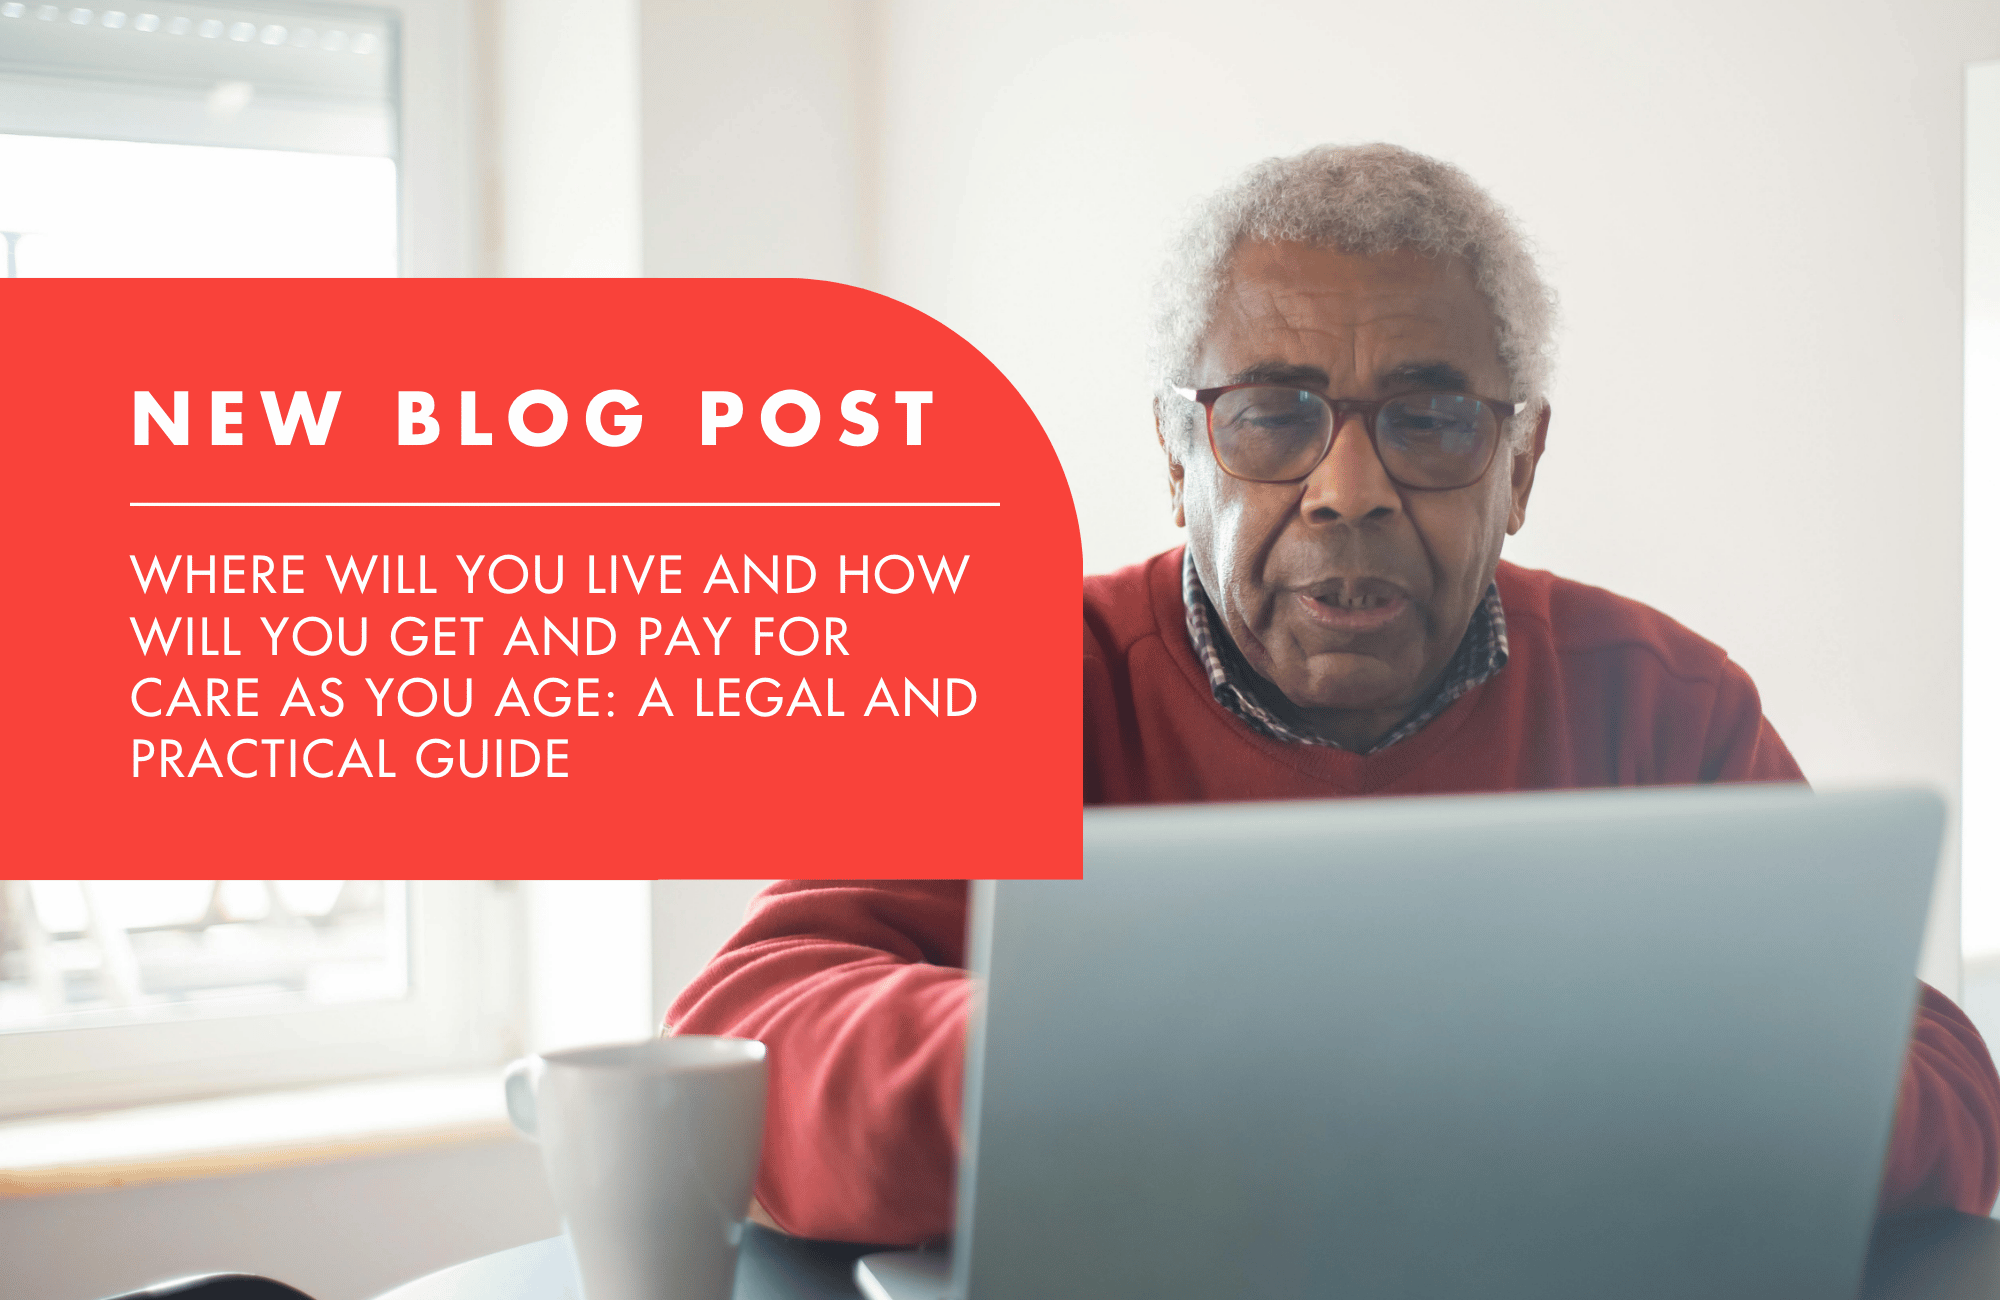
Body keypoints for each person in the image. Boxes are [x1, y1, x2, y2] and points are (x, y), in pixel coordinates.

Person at [668, 143, 2000, 1244]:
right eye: (1271, 414)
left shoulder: (1664, 704)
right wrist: (1125, 1059)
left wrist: (1578, 1075)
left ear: (1520, 466)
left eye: (1428, 421)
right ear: (1180, 458)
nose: (1348, 489)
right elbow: (744, 1038)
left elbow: (1936, 1079)